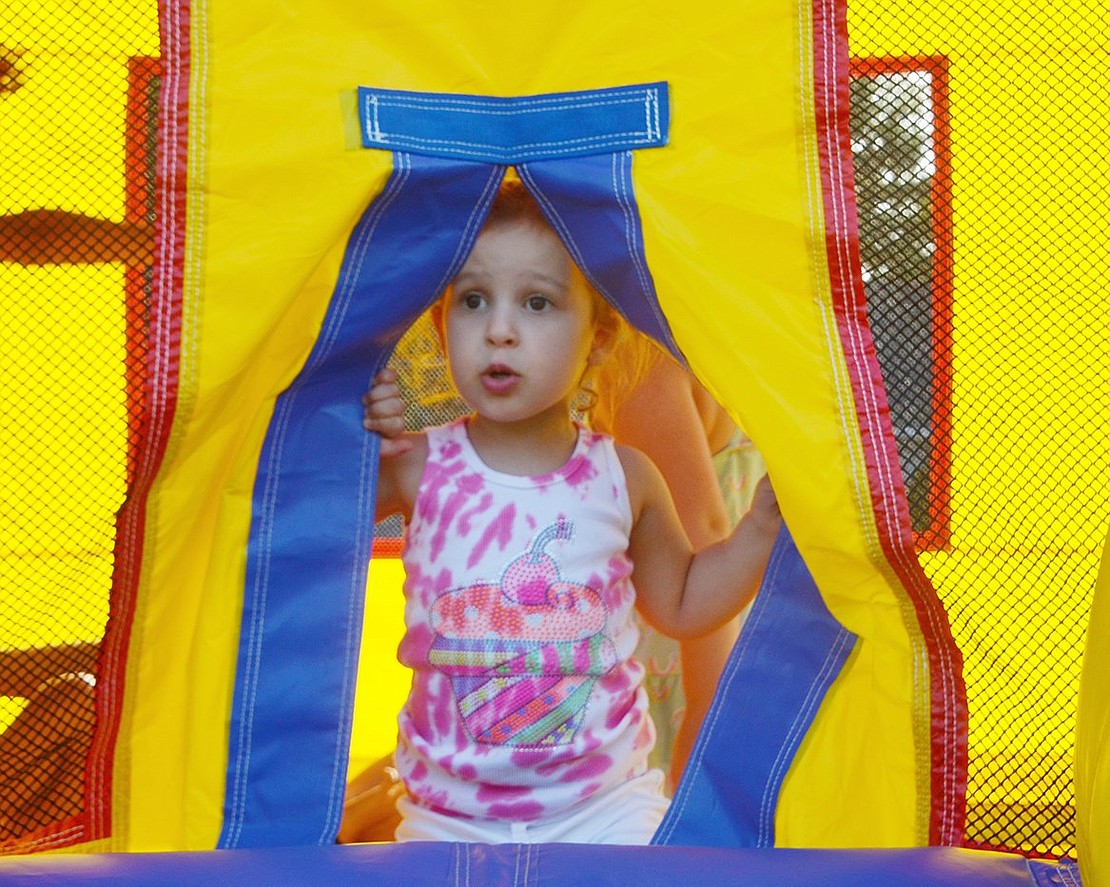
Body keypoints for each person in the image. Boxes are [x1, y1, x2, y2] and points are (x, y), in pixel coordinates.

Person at [360, 180, 781, 845]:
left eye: (537, 302)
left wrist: (757, 531)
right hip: (448, 814)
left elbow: (685, 602)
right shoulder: (420, 468)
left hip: (605, 810)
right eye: (473, 301)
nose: (499, 330)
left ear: (601, 337)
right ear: (442, 329)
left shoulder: (623, 477)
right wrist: (359, 429)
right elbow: (315, 523)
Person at [591, 343, 767, 791]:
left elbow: (702, 535)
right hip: (742, 620)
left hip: (683, 653)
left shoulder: (640, 361)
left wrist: (706, 715)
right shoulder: (734, 344)